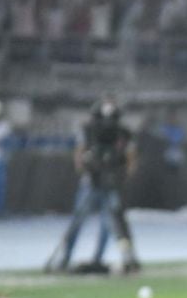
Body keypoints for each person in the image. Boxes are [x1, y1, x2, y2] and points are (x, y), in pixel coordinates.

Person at [45, 94, 140, 274]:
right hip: (92, 181)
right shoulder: (89, 131)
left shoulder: (122, 134)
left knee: (109, 222)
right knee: (79, 221)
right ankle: (65, 257)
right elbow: (80, 154)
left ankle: (98, 258)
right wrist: (86, 171)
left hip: (110, 182)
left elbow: (130, 158)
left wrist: (119, 177)